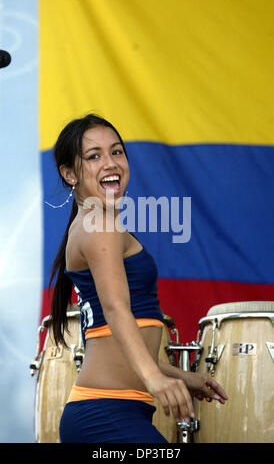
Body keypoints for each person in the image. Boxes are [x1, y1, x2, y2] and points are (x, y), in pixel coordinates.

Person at [48, 113, 228, 443]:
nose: (110, 163)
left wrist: (177, 375)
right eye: (94, 156)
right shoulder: (98, 223)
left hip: (110, 412)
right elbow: (117, 310)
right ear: (69, 173)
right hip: (104, 414)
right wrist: (156, 380)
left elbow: (107, 339)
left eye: (116, 152)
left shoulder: (95, 222)